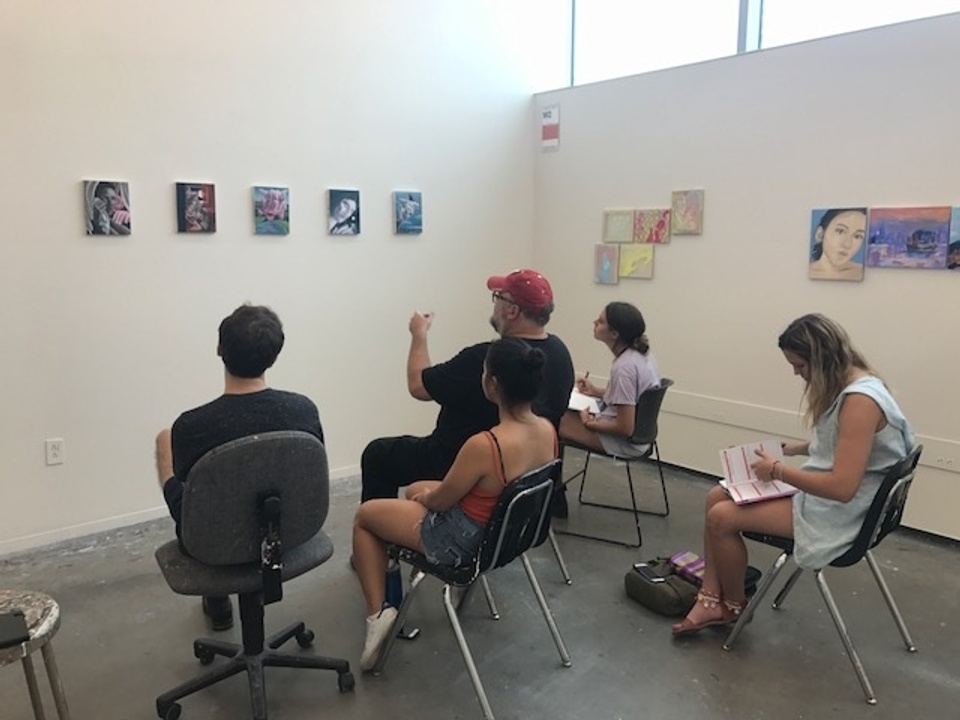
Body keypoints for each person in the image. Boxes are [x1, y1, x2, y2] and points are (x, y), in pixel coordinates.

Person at [671, 314, 914, 636]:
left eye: (800, 366)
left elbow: (842, 487)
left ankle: (733, 605)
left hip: (844, 513)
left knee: (721, 517)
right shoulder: (862, 381)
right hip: (848, 501)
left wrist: (777, 471)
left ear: (822, 359)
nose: (798, 374)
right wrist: (796, 449)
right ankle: (710, 598)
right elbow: (849, 446)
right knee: (715, 496)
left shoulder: (859, 401)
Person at [352, 338, 559, 670]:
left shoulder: (485, 444)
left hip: (463, 542)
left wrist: (425, 498)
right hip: (505, 537)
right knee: (415, 488)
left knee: (366, 516)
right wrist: (422, 493)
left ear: (492, 384)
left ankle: (379, 615)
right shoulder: (547, 430)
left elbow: (441, 499)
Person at [154, 304, 324, 631]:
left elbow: (187, 503)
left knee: (166, 441)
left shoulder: (192, 426)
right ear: (275, 355)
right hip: (290, 533)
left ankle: (218, 599)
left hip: (210, 544)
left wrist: (166, 451)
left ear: (219, 350)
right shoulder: (303, 410)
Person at [360, 269, 574, 514]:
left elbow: (419, 386)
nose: (494, 305)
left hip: (464, 466)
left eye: (498, 298)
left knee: (378, 455)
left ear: (512, 310)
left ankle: (380, 533)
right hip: (525, 479)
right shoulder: (559, 352)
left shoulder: (487, 359)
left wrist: (419, 334)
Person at [559, 302, 661, 457]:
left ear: (614, 334)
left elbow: (625, 428)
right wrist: (595, 391)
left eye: (600, 322)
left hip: (624, 442)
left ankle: (552, 478)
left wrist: (590, 424)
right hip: (640, 436)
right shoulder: (642, 355)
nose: (594, 322)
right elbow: (631, 397)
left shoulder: (624, 368)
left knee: (551, 418)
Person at [808, 208, 867, 281]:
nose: (847, 244)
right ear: (820, 234)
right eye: (840, 231)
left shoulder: (866, 273)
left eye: (858, 236)